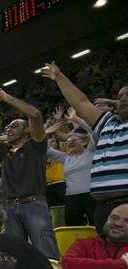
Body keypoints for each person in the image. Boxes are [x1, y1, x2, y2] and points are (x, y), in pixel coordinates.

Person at [41, 63, 128, 232]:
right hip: (103, 207)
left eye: (127, 95)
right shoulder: (108, 123)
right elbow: (81, 102)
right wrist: (60, 77)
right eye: (120, 96)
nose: (122, 99)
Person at [0, 88, 60, 259]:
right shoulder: (4, 150)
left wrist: (6, 98)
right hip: (9, 206)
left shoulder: (36, 144)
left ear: (27, 130)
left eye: (14, 126)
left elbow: (35, 114)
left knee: (46, 253)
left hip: (34, 204)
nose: (8, 129)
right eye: (7, 127)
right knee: (15, 256)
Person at [46, 128, 96, 225]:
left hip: (91, 196)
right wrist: (46, 133)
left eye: (74, 140)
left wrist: (76, 119)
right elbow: (46, 149)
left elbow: (93, 132)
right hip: (71, 198)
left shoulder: (92, 152)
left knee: (96, 224)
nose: (70, 142)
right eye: (68, 141)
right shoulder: (65, 157)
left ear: (84, 141)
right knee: (72, 226)